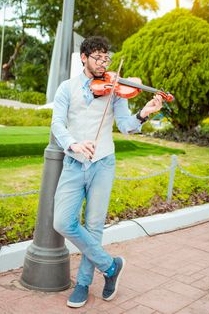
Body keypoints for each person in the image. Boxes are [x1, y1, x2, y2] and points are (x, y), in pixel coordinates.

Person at [52, 36, 163, 308]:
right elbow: (57, 123)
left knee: (94, 226)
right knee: (63, 222)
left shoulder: (115, 88)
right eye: (98, 58)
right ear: (84, 58)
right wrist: (73, 143)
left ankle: (83, 284)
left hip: (103, 163)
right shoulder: (66, 88)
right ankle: (111, 266)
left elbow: (126, 125)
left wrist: (144, 114)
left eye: (107, 58)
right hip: (74, 162)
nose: (104, 63)